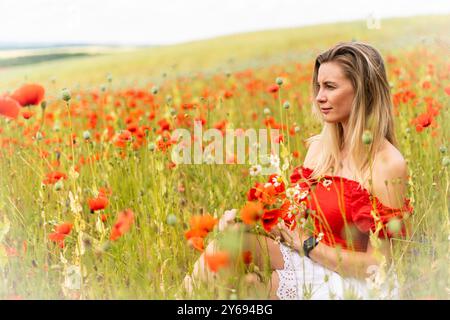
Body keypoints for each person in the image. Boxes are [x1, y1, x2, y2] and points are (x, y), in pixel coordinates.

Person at [183, 41, 414, 300]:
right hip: (312, 257)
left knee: (254, 287)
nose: (319, 97)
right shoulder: (319, 149)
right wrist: (247, 219)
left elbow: (376, 267)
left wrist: (307, 244)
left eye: (330, 87)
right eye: (318, 86)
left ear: (363, 91)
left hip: (355, 284)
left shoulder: (388, 164)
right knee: (227, 244)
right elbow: (292, 219)